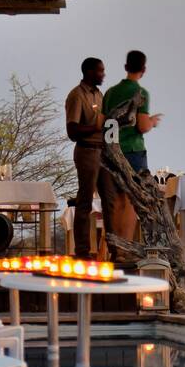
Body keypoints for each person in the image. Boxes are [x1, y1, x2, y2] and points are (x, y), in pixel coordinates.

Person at [65, 57, 118, 259]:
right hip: (86, 151)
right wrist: (94, 128)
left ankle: (115, 249)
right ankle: (83, 251)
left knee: (109, 201)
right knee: (85, 201)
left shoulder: (100, 95)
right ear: (88, 72)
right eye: (100, 71)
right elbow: (72, 130)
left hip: (103, 152)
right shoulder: (77, 96)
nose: (103, 74)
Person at [102, 49, 161, 174]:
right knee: (135, 192)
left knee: (115, 192)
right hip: (132, 151)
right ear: (144, 69)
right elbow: (143, 127)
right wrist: (152, 121)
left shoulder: (110, 92)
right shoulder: (140, 93)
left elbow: (100, 123)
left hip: (110, 152)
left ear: (126, 67)